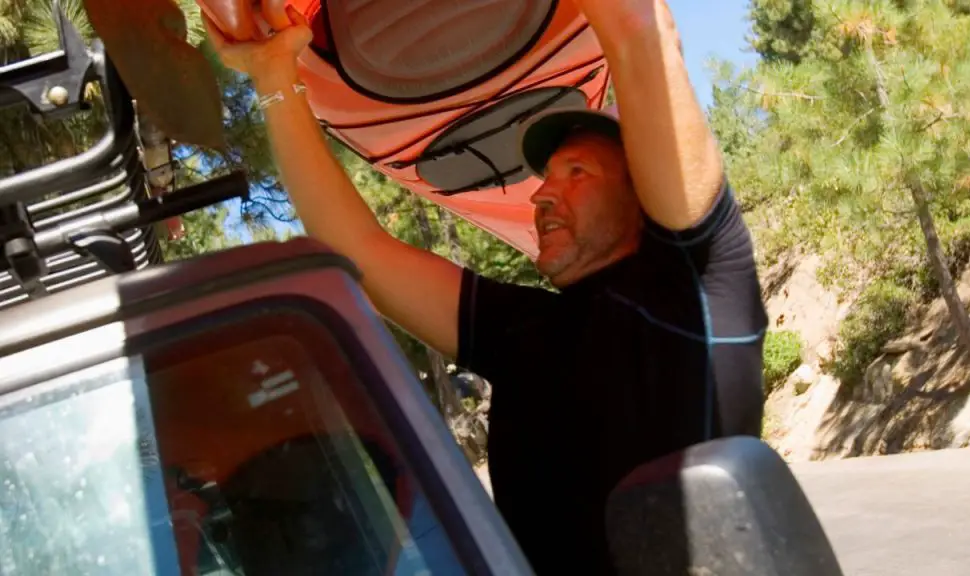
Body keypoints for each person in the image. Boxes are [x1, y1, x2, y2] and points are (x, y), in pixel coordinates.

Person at [203, 1, 768, 573]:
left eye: (578, 174)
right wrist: (275, 76)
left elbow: (639, 30)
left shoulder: (697, 290)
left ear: (644, 193)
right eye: (547, 178)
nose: (542, 195)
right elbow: (360, 254)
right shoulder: (525, 331)